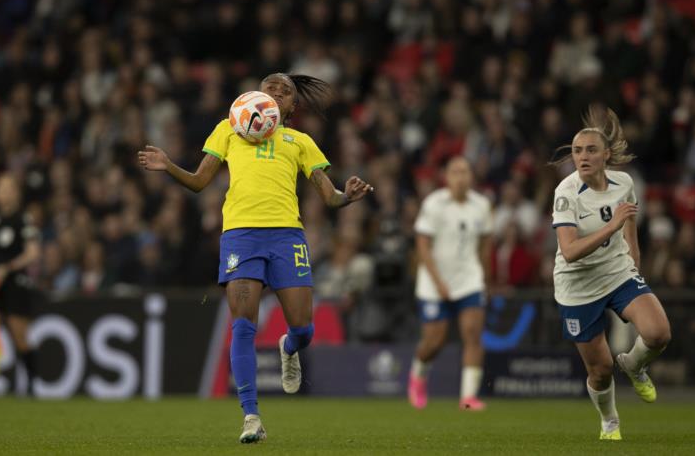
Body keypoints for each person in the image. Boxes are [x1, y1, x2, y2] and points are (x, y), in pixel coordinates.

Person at [138, 73, 373, 443]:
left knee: (304, 329)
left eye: (286, 92)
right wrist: (168, 165)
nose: (277, 93)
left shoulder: (300, 141)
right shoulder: (228, 129)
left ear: (293, 106)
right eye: (270, 88)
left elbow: (329, 197)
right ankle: (251, 416)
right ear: (254, 95)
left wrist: (348, 196)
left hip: (286, 236)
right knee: (243, 326)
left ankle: (289, 347)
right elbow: (200, 182)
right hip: (241, 237)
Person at [551, 108, 671, 441]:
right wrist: (612, 226)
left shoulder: (624, 182)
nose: (583, 156)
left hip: (617, 272)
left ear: (606, 155)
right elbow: (571, 251)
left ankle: (634, 364)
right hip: (578, 286)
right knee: (600, 371)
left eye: (590, 150)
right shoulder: (565, 193)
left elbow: (628, 215)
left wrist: (633, 254)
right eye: (577, 151)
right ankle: (610, 421)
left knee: (658, 333)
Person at [408, 156, 493, 411]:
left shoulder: (482, 205)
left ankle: (468, 398)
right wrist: (438, 282)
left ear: (471, 176)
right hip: (434, 283)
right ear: (446, 176)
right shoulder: (434, 204)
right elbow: (422, 247)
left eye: (465, 172)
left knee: (472, 336)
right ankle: (418, 376)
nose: (460, 177)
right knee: (435, 342)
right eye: (455, 172)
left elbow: (486, 245)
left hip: (469, 280)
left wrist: (483, 278)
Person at [0, 173, 42, 396]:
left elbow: (33, 253)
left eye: (6, 187)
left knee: (19, 337)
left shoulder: (23, 219)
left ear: (16, 192)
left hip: (14, 284)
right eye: (0, 187)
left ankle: (33, 384)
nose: (2, 192)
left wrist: (8, 267)